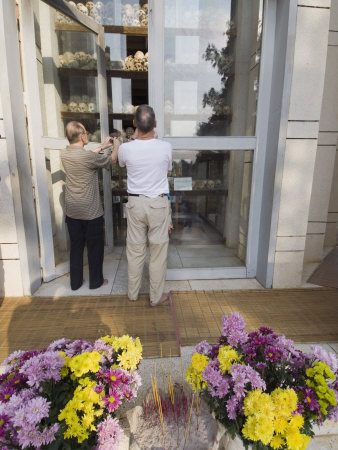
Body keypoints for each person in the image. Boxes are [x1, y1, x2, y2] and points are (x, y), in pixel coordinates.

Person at [118, 105, 172, 306]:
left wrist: (131, 140)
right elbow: (167, 168)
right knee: (157, 252)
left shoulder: (125, 148)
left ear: (134, 124)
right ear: (155, 124)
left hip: (135, 203)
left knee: (135, 250)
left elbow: (121, 163)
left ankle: (132, 294)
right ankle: (156, 298)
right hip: (158, 203)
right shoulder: (165, 147)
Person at [61, 121, 120, 290]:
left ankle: (76, 283)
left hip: (72, 211)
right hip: (91, 211)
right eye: (86, 132)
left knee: (76, 248)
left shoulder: (64, 154)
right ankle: (96, 282)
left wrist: (102, 147)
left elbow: (87, 157)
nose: (87, 134)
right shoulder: (87, 157)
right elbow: (112, 160)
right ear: (81, 136)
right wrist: (115, 146)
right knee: (95, 249)